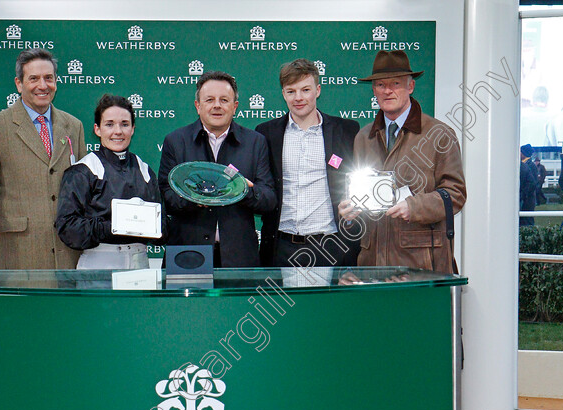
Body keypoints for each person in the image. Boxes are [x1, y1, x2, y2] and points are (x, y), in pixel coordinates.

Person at [338, 50, 466, 273]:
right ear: (374, 90)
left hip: (422, 265)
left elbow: (455, 195)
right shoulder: (363, 138)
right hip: (372, 265)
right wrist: (350, 213)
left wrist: (414, 207)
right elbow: (361, 197)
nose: (387, 91)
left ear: (411, 87)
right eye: (380, 85)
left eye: (395, 83)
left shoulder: (440, 134)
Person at [0, 48, 86, 269]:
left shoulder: (73, 126)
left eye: (49, 78)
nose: (43, 85)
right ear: (19, 84)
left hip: (68, 256)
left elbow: (83, 192)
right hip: (17, 255)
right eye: (34, 79)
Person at [158, 71, 276, 267]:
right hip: (187, 254)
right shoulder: (176, 141)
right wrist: (195, 198)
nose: (217, 106)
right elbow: (166, 198)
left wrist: (243, 191)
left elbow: (268, 199)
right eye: (209, 100)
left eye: (224, 100)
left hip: (239, 258)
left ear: (235, 106)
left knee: (237, 300)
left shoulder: (255, 142)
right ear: (198, 106)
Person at [255, 59, 360, 267]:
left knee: (328, 301)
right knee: (276, 301)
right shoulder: (266, 133)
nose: (299, 98)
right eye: (291, 91)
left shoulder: (346, 131)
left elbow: (358, 179)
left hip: (331, 245)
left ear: (318, 90)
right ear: (283, 94)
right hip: (280, 247)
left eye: (305, 89)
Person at [55, 95, 166, 269]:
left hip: (139, 261)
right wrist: (112, 227)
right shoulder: (83, 170)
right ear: (97, 129)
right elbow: (68, 227)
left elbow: (162, 227)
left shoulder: (145, 170)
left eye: (124, 124)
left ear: (133, 129)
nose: (118, 131)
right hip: (99, 263)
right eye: (109, 124)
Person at [519, 144, 539, 227]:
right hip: (524, 197)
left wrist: (523, 194)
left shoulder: (530, 166)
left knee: (527, 220)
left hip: (527, 198)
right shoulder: (526, 165)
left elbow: (532, 183)